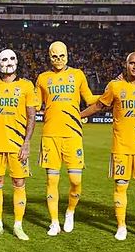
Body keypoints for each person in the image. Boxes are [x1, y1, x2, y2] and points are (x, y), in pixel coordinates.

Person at [79, 52, 135, 242]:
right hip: (121, 146)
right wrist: (79, 115)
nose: (134, 66)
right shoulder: (115, 86)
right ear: (126, 64)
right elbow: (99, 105)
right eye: (131, 63)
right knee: (121, 186)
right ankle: (121, 226)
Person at [35, 41, 98, 236]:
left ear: (67, 56)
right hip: (50, 136)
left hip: (72, 134)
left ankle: (70, 211)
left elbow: (89, 99)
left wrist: (110, 94)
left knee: (75, 180)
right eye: (54, 56)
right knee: (51, 181)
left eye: (61, 56)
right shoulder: (43, 78)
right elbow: (35, 105)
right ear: (49, 56)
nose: (58, 60)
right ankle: (54, 222)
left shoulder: (77, 75)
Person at [0, 49, 38, 240]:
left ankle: (18, 226)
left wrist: (27, 143)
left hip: (17, 145)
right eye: (4, 59)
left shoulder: (26, 86)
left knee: (19, 183)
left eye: (12, 58)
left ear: (18, 61)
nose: (9, 62)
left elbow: (32, 117)